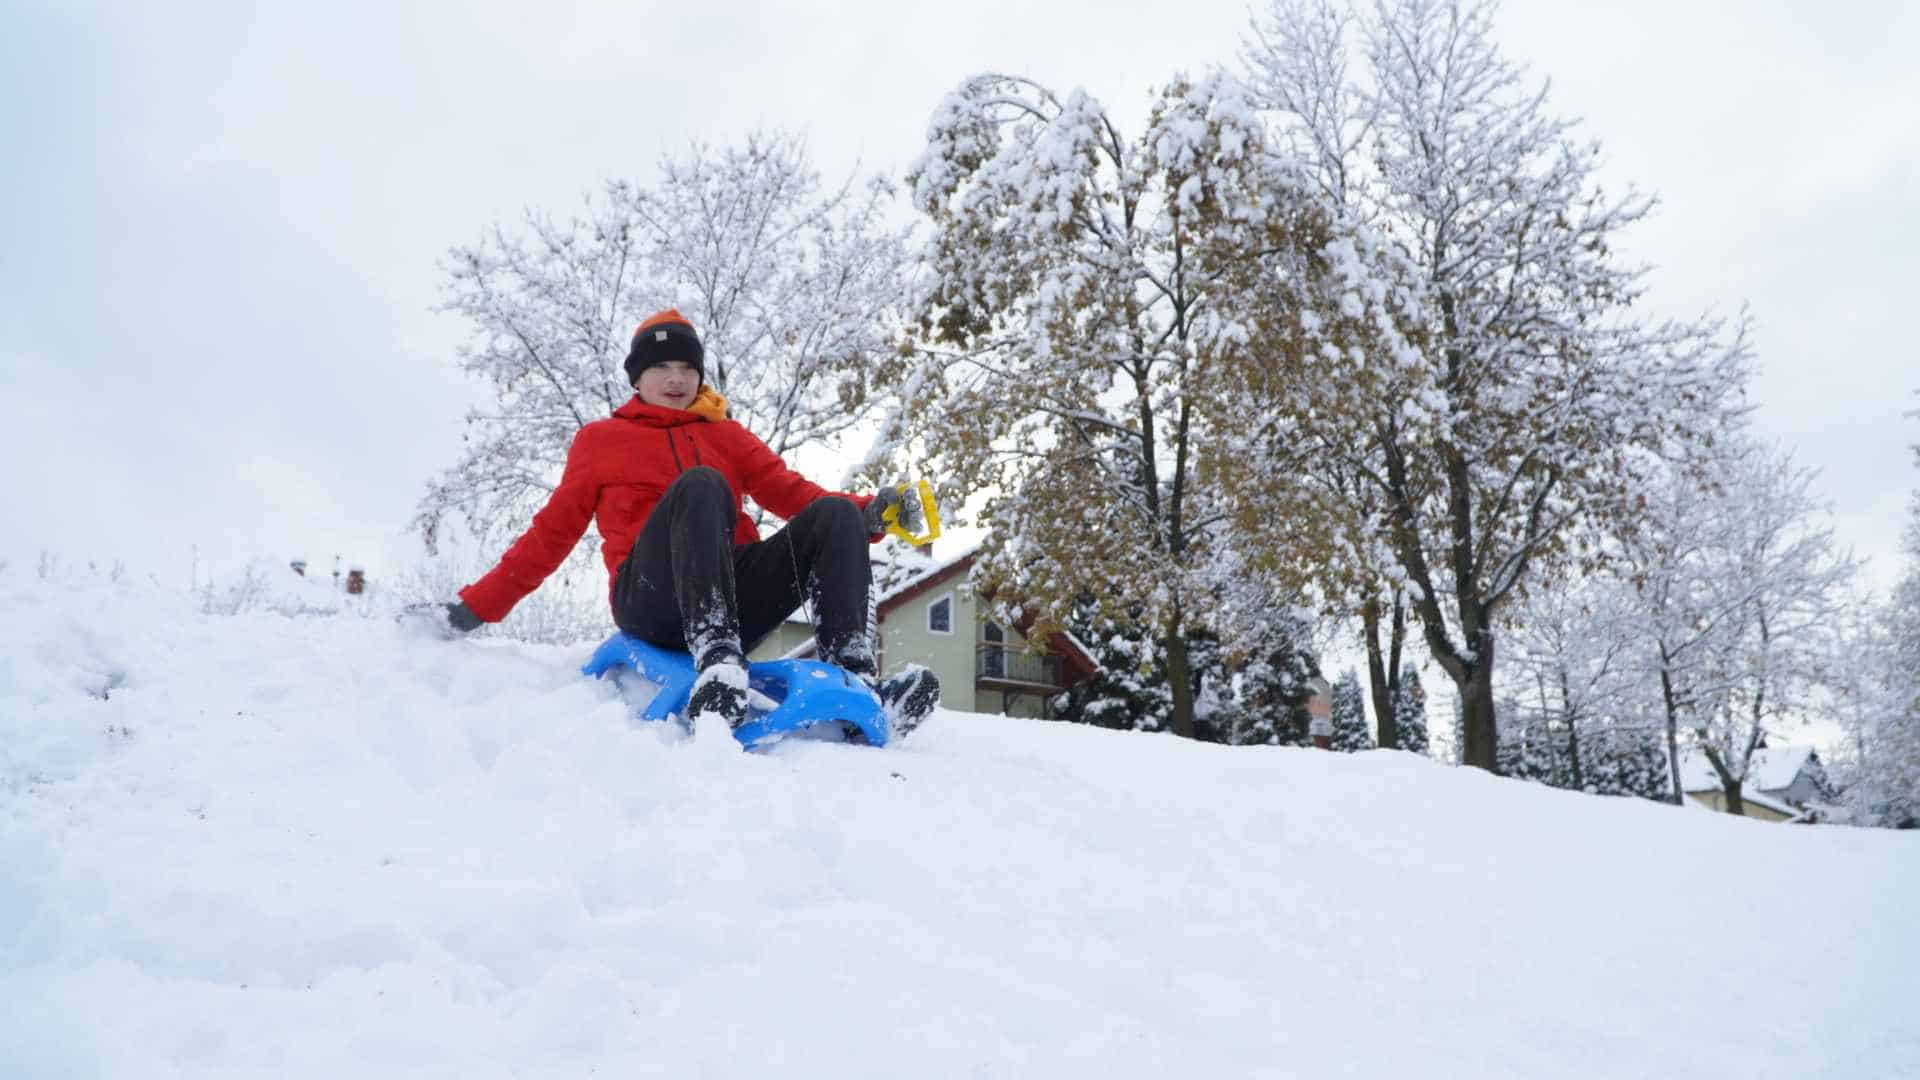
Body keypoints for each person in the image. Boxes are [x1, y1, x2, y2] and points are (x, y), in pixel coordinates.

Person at [428, 308, 939, 736]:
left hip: (736, 599)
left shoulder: (727, 437)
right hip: (652, 599)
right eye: (663, 367)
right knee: (702, 485)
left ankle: (853, 680)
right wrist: (472, 610)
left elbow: (793, 495)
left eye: (687, 369)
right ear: (637, 377)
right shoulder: (601, 441)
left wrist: (870, 512)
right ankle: (716, 657)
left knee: (833, 514)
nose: (677, 379)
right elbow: (551, 534)